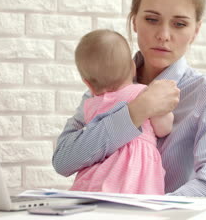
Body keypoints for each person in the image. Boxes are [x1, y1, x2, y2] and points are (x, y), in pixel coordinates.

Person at [53, 0, 206, 197]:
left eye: (179, 24)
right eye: (151, 19)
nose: (163, 35)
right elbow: (64, 160)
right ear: (134, 21)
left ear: (195, 31)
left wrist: (147, 212)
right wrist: (137, 111)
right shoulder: (108, 82)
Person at [70, 29, 174, 195]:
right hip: (134, 174)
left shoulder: (90, 105)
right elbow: (164, 128)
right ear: (133, 68)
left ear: (88, 84)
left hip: (97, 177)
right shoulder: (142, 93)